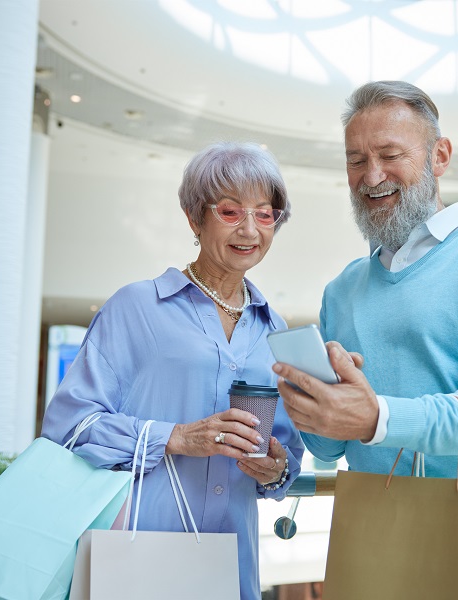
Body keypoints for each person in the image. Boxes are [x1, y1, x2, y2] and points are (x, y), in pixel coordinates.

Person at [42, 141, 304, 600]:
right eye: (229, 211)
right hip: (138, 559)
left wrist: (275, 468)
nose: (250, 229)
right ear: (193, 217)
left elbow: (287, 452)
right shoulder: (136, 307)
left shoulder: (275, 329)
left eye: (265, 215)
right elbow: (69, 426)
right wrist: (178, 438)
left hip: (233, 565)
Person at [274, 81, 458, 512]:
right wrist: (316, 405)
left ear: (439, 156)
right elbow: (328, 451)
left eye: (390, 156)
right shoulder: (342, 290)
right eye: (356, 160)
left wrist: (376, 418)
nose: (371, 176)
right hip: (374, 528)